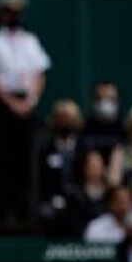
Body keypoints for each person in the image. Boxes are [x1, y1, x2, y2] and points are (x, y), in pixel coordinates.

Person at [0, 0, 51, 230]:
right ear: (2, 14)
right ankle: (3, 214)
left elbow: (40, 73)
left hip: (27, 104)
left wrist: (31, 100)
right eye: (10, 12)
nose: (14, 17)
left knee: (23, 159)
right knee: (2, 159)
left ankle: (24, 213)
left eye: (17, 13)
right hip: (2, 106)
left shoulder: (30, 40)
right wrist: (10, 102)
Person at [36, 99, 84, 237]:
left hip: (79, 197)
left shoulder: (83, 147)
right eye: (62, 119)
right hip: (53, 198)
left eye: (69, 119)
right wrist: (53, 198)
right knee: (47, 213)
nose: (65, 123)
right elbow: (43, 179)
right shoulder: (46, 148)